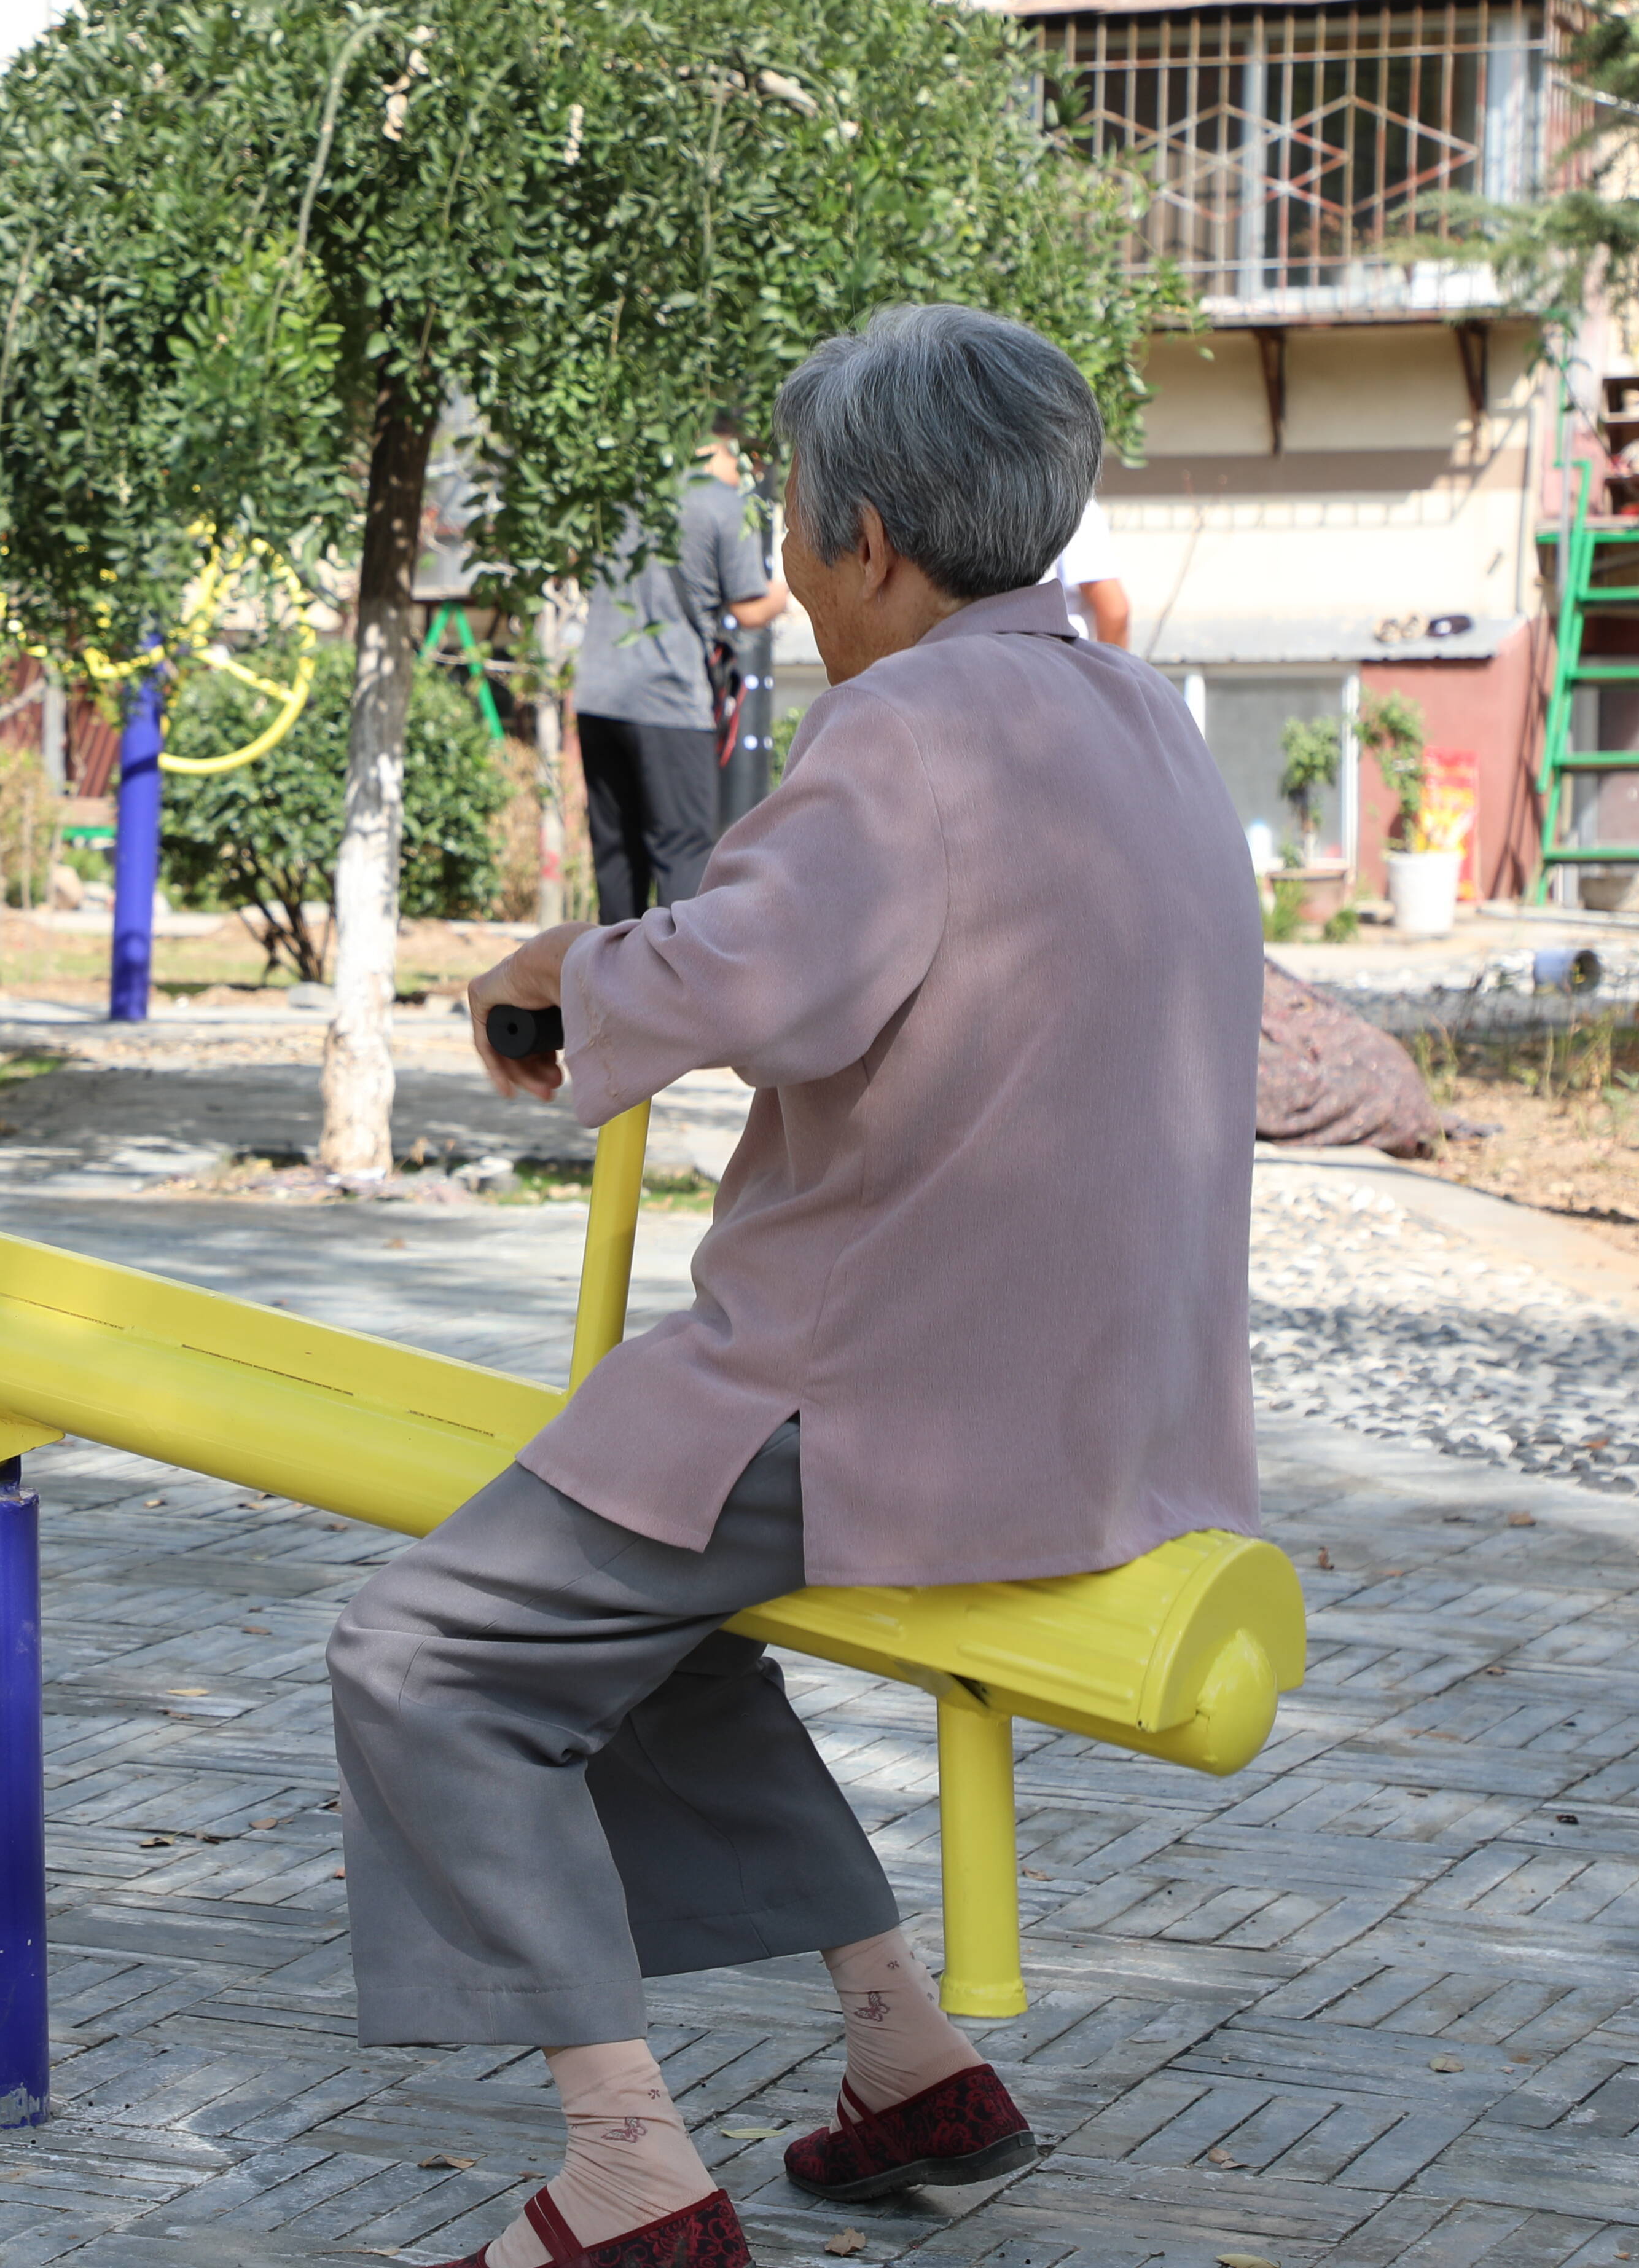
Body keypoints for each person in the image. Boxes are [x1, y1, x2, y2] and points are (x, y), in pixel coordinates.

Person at [358, 307, 1261, 2268]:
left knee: (424, 1655)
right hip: (1115, 1407)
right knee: (659, 1630)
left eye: (788, 521)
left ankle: (622, 2173)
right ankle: (902, 2055)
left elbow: (756, 972)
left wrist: (550, 984)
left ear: (863, 534)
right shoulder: (1144, 717)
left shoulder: (914, 725)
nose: (781, 567)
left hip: (881, 1396)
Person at [572, 417, 789, 920]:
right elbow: (749, 606)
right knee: (683, 855)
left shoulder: (628, 495)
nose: (750, 475)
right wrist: (788, 591)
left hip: (598, 696)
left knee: (617, 858)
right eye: (749, 463)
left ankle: (612, 990)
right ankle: (676, 994)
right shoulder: (719, 503)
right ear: (727, 450)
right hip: (668, 701)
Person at [1045, 493, 1130, 646]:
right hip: (1060, 657)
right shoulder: (1069, 500)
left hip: (1058, 654)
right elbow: (1114, 611)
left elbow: (1114, 611)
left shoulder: (1071, 503)